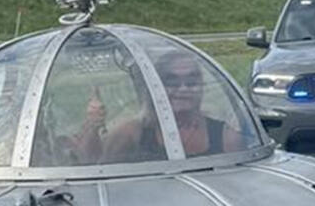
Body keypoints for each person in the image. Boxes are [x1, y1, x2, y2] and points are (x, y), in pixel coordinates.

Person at [76, 52, 246, 163]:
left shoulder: (226, 137)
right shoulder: (132, 132)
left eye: (191, 82)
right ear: (156, 88)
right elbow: (92, 164)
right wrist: (93, 125)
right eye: (172, 83)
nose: (183, 89)